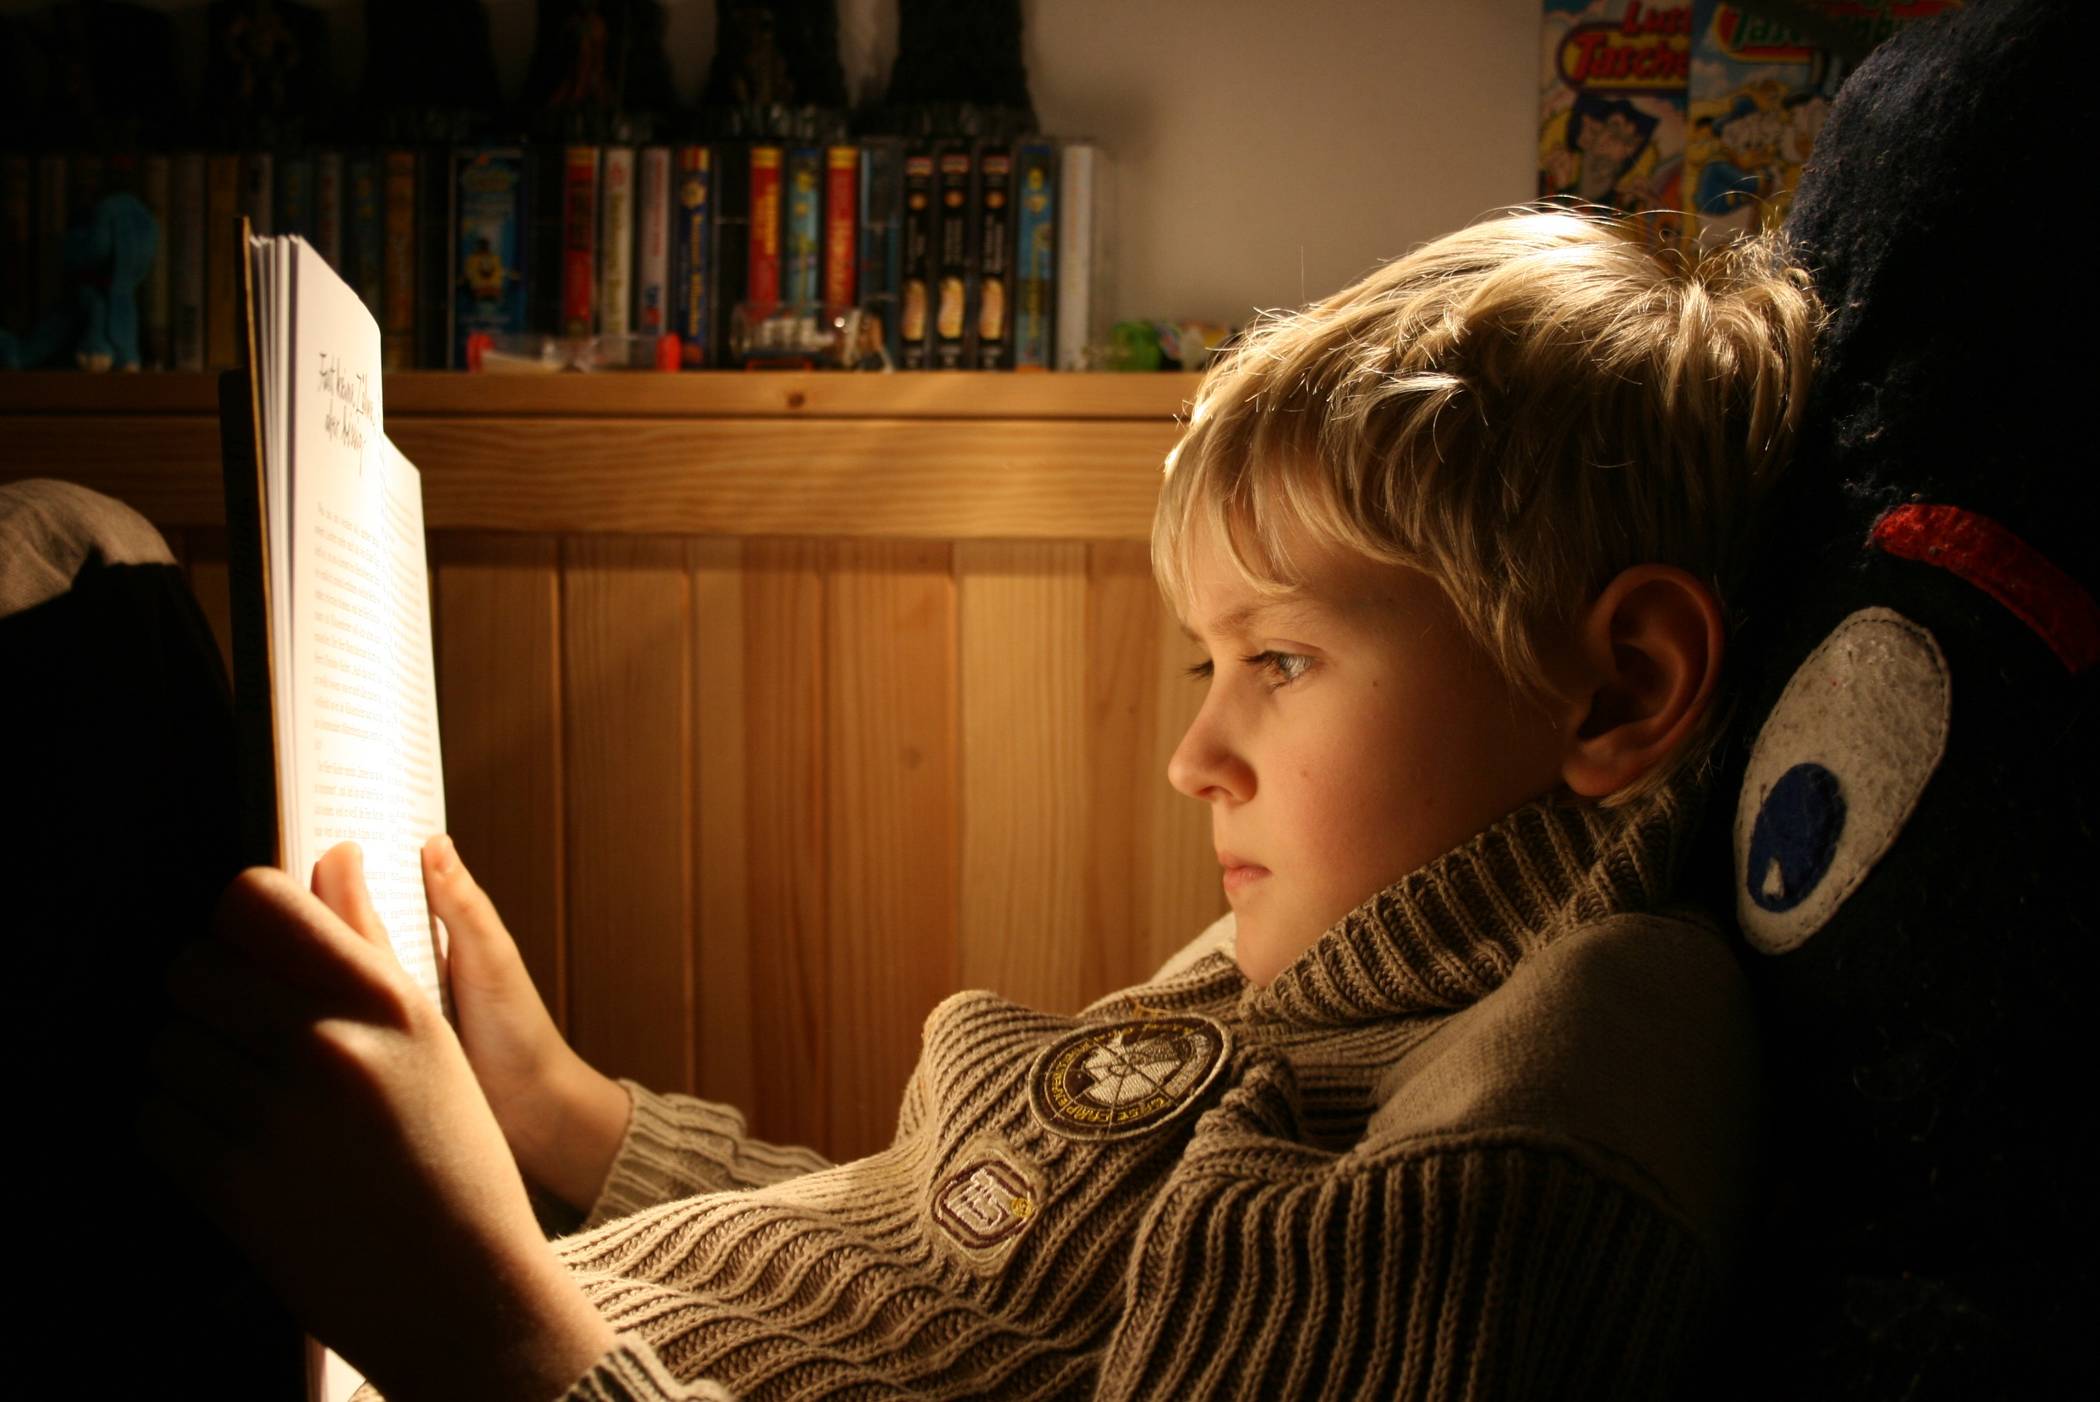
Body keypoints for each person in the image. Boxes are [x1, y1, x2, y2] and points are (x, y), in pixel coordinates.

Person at [121, 207, 1819, 1399]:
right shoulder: (1322, 959)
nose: (1195, 755)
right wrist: (570, 1120)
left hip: (451, 1344)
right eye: (1198, 669)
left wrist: (484, 1328)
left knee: (80, 593)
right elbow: (954, 1285)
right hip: (444, 1320)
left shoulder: (1551, 1078)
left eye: (1280, 661)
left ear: (1621, 687)